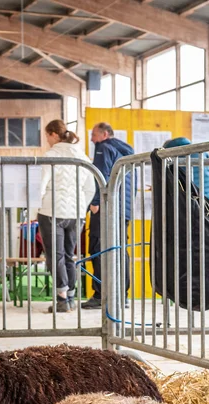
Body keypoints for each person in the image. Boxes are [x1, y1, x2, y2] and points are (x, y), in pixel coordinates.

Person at [38, 120, 95, 313]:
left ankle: (62, 299)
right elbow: (90, 187)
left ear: (54, 134)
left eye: (47, 136)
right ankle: (70, 296)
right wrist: (81, 207)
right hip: (76, 213)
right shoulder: (82, 156)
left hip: (51, 210)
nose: (47, 140)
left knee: (56, 255)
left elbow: (40, 186)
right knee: (70, 255)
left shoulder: (50, 156)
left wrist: (32, 209)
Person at [83, 122, 134, 309]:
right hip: (124, 209)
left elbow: (100, 176)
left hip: (106, 207)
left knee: (98, 247)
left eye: (94, 134)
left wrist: (95, 202)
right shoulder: (126, 151)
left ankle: (100, 294)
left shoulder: (103, 148)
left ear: (105, 134)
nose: (91, 139)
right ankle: (122, 295)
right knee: (120, 248)